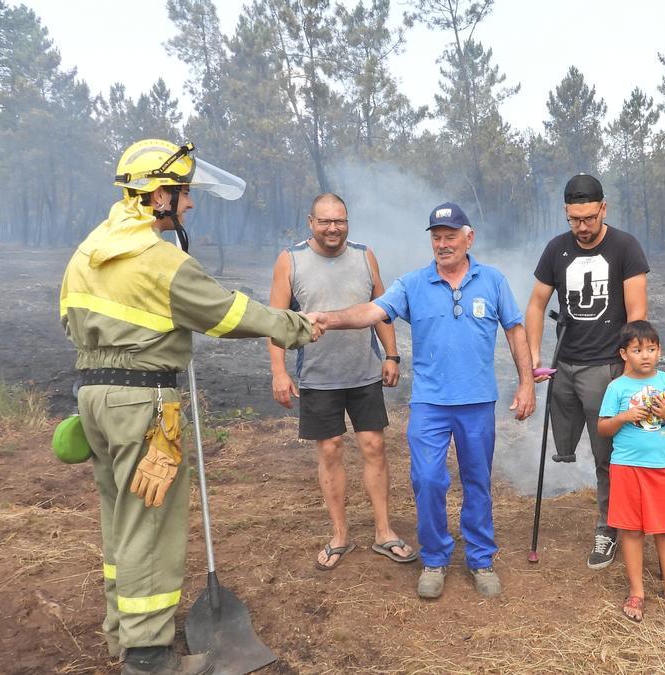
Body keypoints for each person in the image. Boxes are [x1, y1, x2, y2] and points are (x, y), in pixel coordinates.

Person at [61, 139, 324, 675]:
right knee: (152, 526)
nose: (190, 203)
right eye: (184, 193)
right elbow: (227, 313)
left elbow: (68, 320)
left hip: (94, 399)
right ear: (158, 195)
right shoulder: (159, 259)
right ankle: (149, 657)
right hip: (145, 405)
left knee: (121, 523)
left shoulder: (87, 250)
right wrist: (295, 326)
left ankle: (122, 634)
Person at [318, 201, 536, 600]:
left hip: (476, 403)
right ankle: (434, 559)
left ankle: (481, 559)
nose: (442, 244)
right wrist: (329, 319)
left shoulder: (493, 281)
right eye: (436, 237)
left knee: (477, 482)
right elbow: (372, 311)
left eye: (450, 236)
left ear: (469, 238)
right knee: (428, 480)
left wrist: (526, 384)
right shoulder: (413, 284)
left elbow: (515, 330)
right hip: (430, 405)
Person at [267, 193, 415, 570]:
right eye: (325, 221)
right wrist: (279, 371)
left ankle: (384, 532)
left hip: (363, 372)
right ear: (310, 222)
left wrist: (392, 355)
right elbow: (275, 322)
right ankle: (340, 536)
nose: (333, 228)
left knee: (373, 446)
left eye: (340, 221)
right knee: (330, 449)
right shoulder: (290, 260)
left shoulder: (365, 256)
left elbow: (383, 311)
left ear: (348, 222)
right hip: (318, 375)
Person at [525, 174, 649, 570]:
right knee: (563, 445)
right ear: (566, 213)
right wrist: (533, 358)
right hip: (565, 364)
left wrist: (629, 367)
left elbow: (637, 313)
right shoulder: (556, 250)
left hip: (606, 366)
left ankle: (607, 528)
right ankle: (608, 516)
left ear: (603, 210)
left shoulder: (625, 247)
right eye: (574, 219)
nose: (582, 226)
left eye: (589, 218)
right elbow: (535, 305)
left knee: (606, 453)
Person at [598, 320, 665, 622]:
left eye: (651, 349)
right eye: (638, 350)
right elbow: (603, 427)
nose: (645, 355)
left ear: (659, 351)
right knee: (631, 528)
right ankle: (636, 592)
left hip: (664, 468)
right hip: (627, 467)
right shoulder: (617, 387)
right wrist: (624, 416)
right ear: (624, 354)